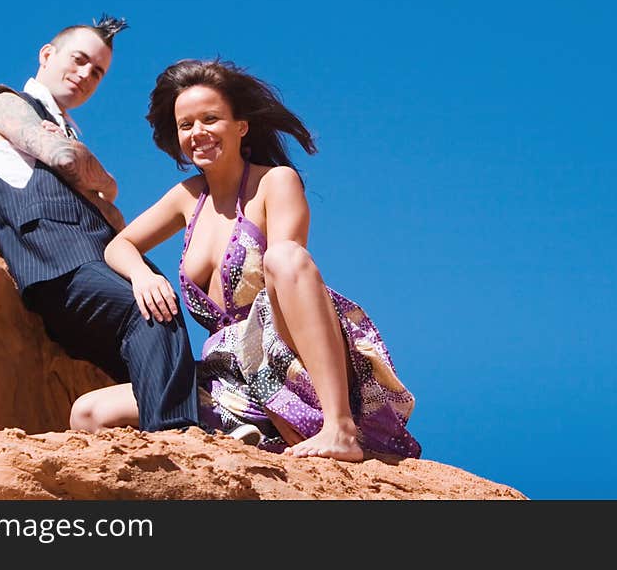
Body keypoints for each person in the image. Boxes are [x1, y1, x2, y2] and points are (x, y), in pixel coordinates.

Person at [76, 58, 421, 461]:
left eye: (210, 119)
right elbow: (119, 245)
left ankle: (338, 427)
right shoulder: (187, 197)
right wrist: (141, 276)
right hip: (227, 376)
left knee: (285, 257)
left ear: (241, 126)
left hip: (287, 357)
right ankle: (233, 444)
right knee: (89, 412)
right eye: (185, 125)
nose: (197, 133)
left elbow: (290, 274)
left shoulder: (275, 181)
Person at [0, 15, 199, 434]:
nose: (86, 74)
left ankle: (187, 438)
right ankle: (178, 442)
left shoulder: (66, 127)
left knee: (166, 322)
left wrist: (87, 172)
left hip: (97, 268)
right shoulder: (5, 102)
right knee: (150, 312)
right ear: (47, 55)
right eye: (79, 59)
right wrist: (107, 182)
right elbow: (67, 161)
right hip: (58, 268)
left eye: (98, 71)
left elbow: (115, 218)